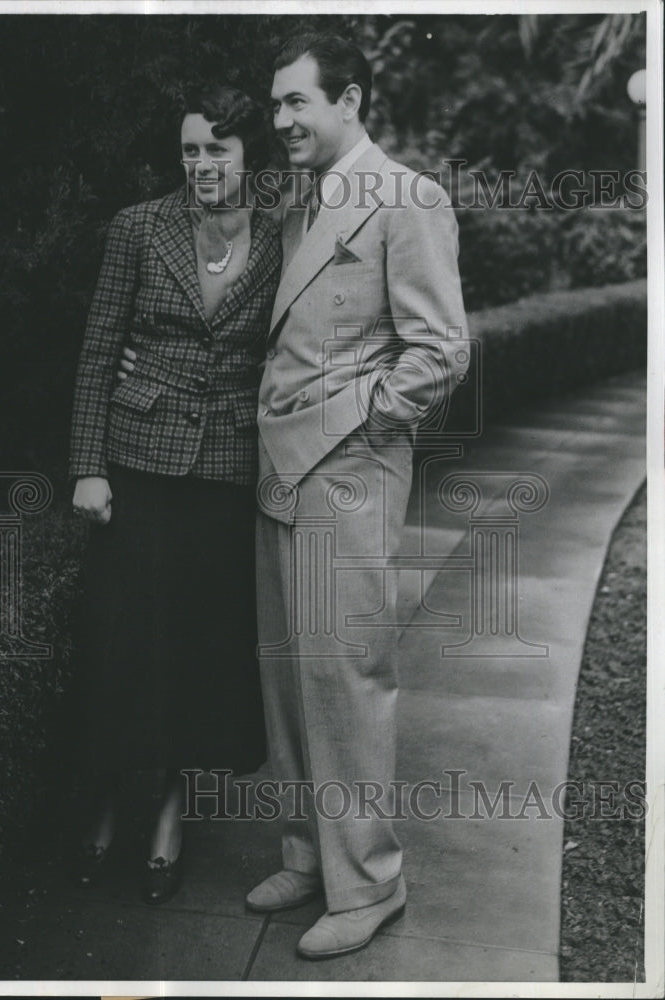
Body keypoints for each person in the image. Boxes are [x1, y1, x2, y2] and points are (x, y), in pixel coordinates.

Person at [244, 33, 470, 959]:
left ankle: (370, 882)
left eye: (297, 102)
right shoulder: (302, 206)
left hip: (346, 468)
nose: (281, 120)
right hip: (277, 469)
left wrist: (360, 414)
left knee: (345, 677)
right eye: (276, 105)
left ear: (352, 101)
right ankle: (310, 856)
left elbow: (441, 348)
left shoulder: (407, 197)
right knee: (289, 680)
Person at [67, 85, 282, 905]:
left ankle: (169, 810)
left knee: (199, 649)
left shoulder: (284, 232)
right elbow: (98, 351)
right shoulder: (138, 227)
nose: (199, 166)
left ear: (247, 154)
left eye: (216, 151)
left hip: (228, 470)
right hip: (137, 463)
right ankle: (108, 796)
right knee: (125, 643)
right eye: (190, 150)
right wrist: (88, 464)